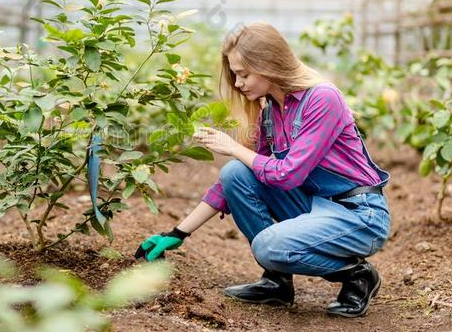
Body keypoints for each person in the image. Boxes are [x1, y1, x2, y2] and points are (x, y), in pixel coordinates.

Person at [134, 22, 391, 318]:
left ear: (268, 65)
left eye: (244, 74)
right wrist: (177, 233)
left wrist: (234, 148)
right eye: (235, 75)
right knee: (235, 173)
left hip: (358, 213)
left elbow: (288, 174)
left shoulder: (322, 98)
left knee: (268, 245)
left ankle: (357, 274)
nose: (239, 83)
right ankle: (277, 283)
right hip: (315, 205)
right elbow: (238, 182)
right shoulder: (272, 112)